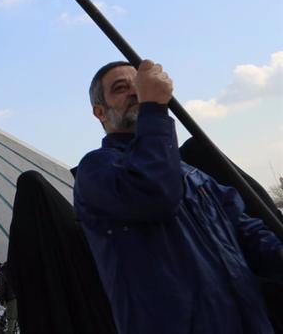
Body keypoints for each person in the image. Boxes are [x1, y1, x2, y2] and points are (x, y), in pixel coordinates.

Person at [74, 59, 283, 334]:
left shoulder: (194, 176)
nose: (136, 92)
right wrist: (154, 108)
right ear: (100, 112)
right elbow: (156, 195)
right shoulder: (97, 170)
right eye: (121, 88)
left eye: (140, 84)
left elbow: (250, 234)